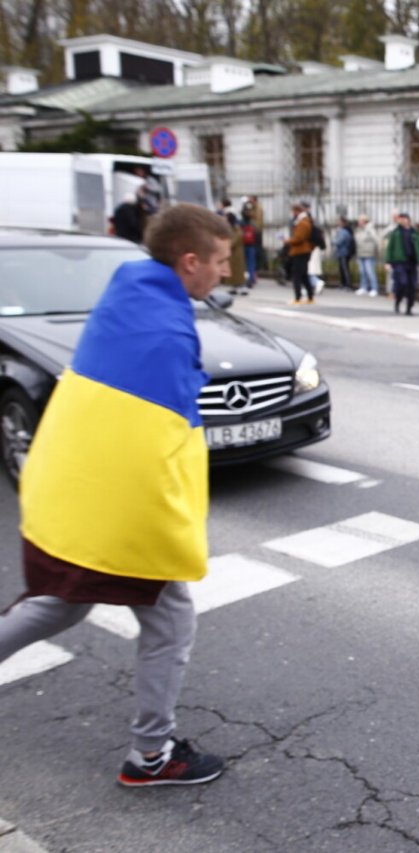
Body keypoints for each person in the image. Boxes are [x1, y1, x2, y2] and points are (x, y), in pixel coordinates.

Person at [0, 204, 231, 787]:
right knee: (169, 619)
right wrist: (176, 531)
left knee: (63, 600)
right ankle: (150, 756)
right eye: (222, 260)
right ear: (190, 261)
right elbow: (160, 445)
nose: (226, 272)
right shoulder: (164, 330)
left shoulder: (133, 295)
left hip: (76, 487)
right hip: (118, 505)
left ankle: (150, 750)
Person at [384, 211, 419, 316]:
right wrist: (387, 261)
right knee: (402, 283)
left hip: (412, 262)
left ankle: (409, 308)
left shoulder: (414, 232)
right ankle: (398, 301)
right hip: (399, 262)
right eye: (400, 219)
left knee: (412, 285)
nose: (402, 221)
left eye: (404, 218)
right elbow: (390, 248)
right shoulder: (396, 233)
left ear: (408, 220)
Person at [283, 202, 315, 305]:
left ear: (297, 211)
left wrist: (287, 241)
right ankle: (310, 297)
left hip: (300, 251)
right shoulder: (304, 221)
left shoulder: (302, 223)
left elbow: (299, 238)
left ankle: (298, 298)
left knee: (296, 275)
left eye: (293, 211)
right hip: (303, 251)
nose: (293, 214)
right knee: (304, 275)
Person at [355, 215, 381, 296]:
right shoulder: (359, 229)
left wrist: (376, 250)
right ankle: (364, 287)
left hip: (369, 253)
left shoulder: (370, 229)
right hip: (360, 253)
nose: (359, 222)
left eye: (360, 221)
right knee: (362, 272)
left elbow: (376, 239)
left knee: (370, 272)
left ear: (364, 221)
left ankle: (374, 288)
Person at [240, 196, 262, 286]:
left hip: (244, 244)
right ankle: (251, 279)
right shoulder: (253, 224)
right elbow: (257, 232)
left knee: (244, 263)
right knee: (251, 262)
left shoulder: (240, 223)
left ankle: (244, 279)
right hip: (252, 244)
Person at [333, 216, 355, 291]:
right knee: (342, 269)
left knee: (345, 269)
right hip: (343, 252)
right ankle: (343, 284)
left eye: (339, 221)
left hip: (344, 252)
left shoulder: (344, 231)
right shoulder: (343, 230)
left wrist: (333, 241)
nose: (337, 223)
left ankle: (348, 285)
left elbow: (339, 241)